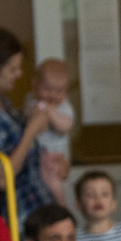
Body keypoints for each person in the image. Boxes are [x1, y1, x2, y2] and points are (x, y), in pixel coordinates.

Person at [0, 18, 55, 221]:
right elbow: (1, 177)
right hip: (21, 215)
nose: (19, 74)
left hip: (38, 206)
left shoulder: (5, 105)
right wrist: (30, 131)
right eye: (12, 69)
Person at [23, 58, 75, 202]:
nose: (53, 95)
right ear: (35, 84)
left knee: (55, 189)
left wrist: (50, 112)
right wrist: (40, 110)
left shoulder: (64, 107)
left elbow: (66, 125)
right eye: (47, 89)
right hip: (35, 156)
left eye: (59, 91)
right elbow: (28, 114)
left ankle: (60, 209)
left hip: (54, 158)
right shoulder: (31, 100)